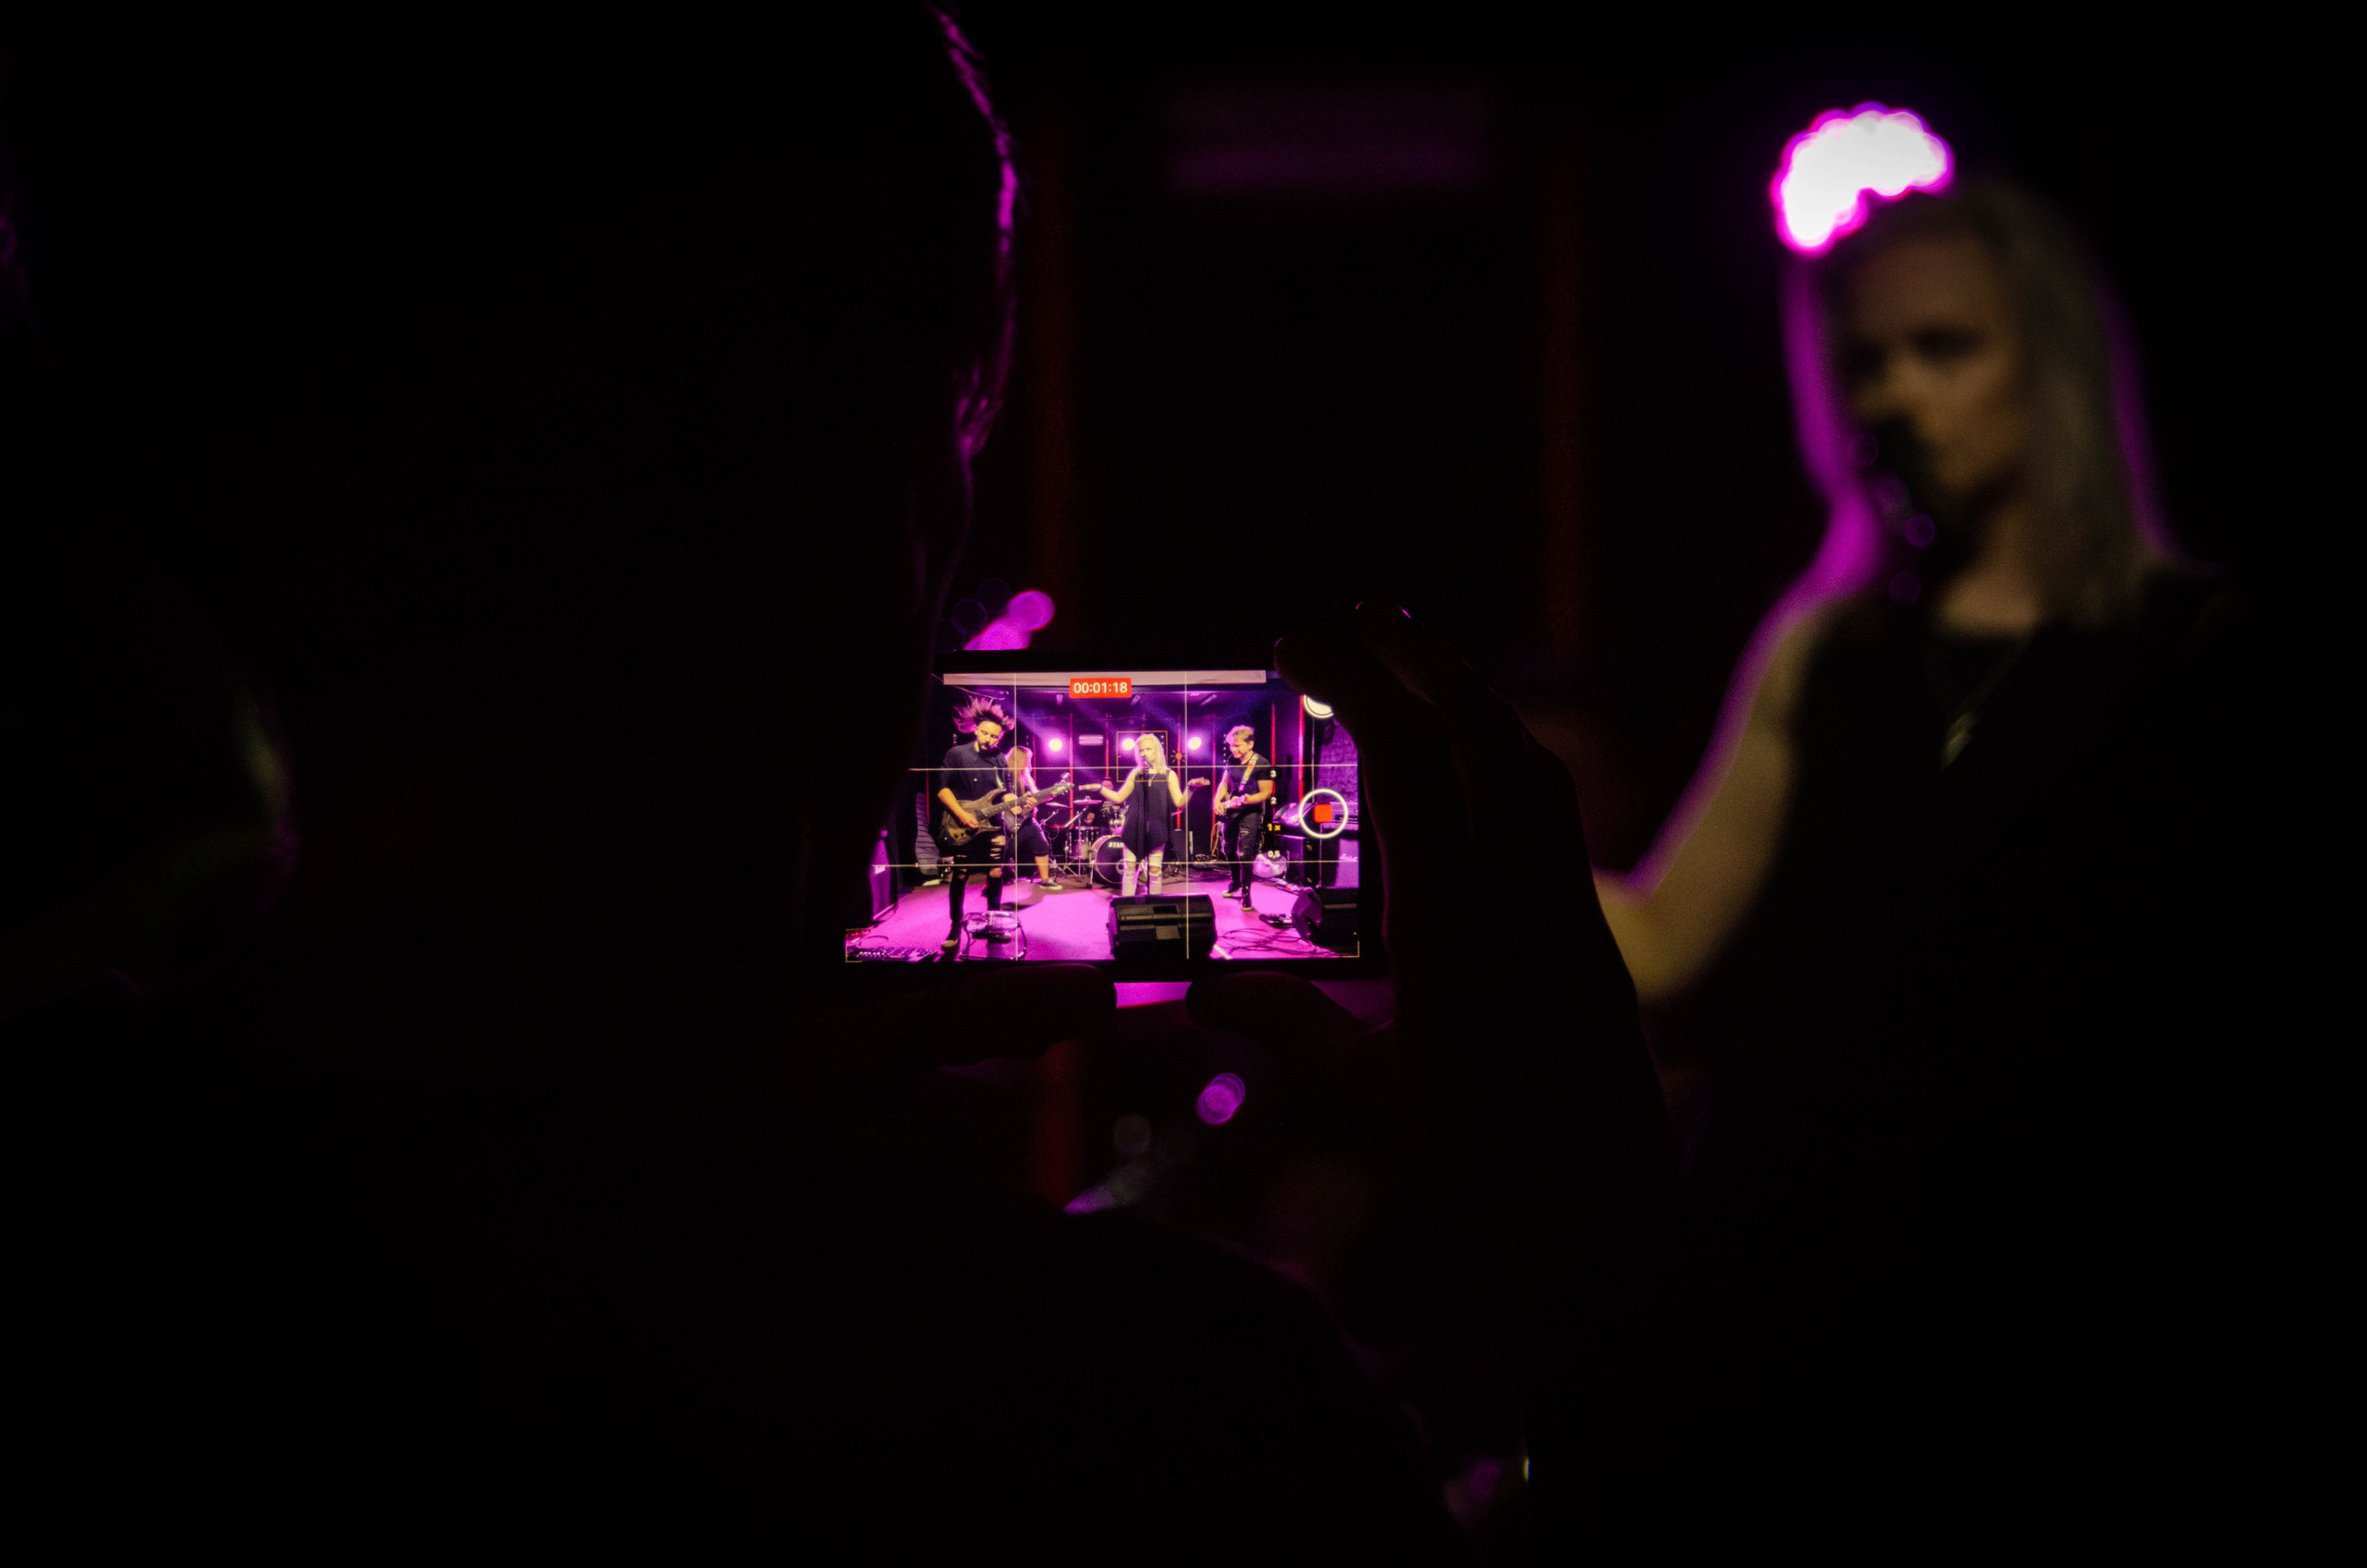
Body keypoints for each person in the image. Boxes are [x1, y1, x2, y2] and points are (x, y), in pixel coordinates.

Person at [7, 12, 1675, 1550]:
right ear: (879, 512)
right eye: (941, 436)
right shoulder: (1158, 1433)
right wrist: (1601, 1260)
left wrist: (766, 1082)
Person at [1588, 178, 2250, 1489]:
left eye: (1943, 349)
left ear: (2049, 359)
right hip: (1807, 1299)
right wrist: (1416, 844)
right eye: (1865, 365)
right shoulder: (1827, 645)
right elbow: (1661, 935)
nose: (1892, 399)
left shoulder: (2197, 643)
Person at [937, 700, 1016, 953]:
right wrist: (961, 814)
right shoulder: (957, 753)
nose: (989, 739)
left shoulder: (1000, 759)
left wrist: (1015, 802)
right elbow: (942, 789)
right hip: (964, 825)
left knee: (995, 874)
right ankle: (955, 927)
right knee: (960, 875)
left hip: (994, 827)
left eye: (995, 736)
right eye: (985, 733)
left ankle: (993, 925)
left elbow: (1006, 793)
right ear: (975, 729)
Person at [1093, 734, 1184, 897]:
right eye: (1141, 750)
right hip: (1134, 827)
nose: (1144, 753)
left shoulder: (1169, 775)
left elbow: (1179, 802)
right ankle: (1126, 905)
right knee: (1130, 868)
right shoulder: (1136, 774)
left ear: (1157, 751)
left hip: (1157, 827)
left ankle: (1155, 905)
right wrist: (1100, 788)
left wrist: (1192, 789)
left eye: (1148, 749)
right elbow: (1119, 798)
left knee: (1155, 870)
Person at [1212, 722, 1279, 901]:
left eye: (1237, 745)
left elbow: (1266, 793)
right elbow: (1225, 783)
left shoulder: (1262, 763)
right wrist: (1217, 800)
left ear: (1250, 744)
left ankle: (1247, 892)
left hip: (1251, 813)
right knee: (1228, 848)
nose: (1233, 749)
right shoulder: (1232, 760)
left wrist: (1247, 799)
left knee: (1245, 853)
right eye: (1231, 746)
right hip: (1232, 811)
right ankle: (1235, 883)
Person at [1002, 742, 1065, 888]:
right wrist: (1016, 806)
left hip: (1027, 820)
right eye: (1027, 758)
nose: (1028, 762)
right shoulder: (1007, 774)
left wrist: (1050, 795)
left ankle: (1045, 880)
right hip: (1010, 821)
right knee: (1004, 854)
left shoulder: (1025, 777)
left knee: (1042, 845)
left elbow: (1034, 799)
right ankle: (990, 884)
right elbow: (1003, 795)